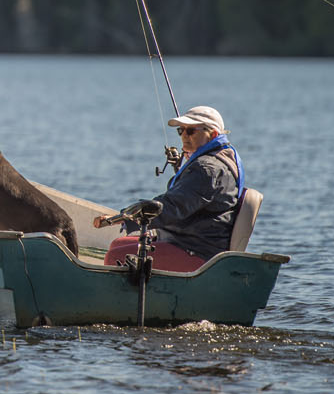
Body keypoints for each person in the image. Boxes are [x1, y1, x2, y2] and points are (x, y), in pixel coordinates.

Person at [102, 105, 244, 271]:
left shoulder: (207, 168)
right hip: (188, 240)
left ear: (212, 134)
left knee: (116, 257)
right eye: (181, 131)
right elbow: (189, 198)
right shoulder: (220, 157)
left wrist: (128, 218)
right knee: (117, 244)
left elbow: (173, 207)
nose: (184, 136)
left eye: (191, 131)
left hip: (197, 251)